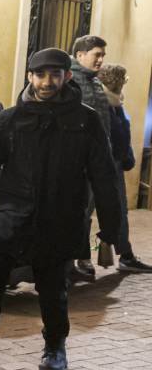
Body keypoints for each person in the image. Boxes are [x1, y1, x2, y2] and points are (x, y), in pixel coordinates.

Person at [0, 48, 122, 370]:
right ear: (30, 76)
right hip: (12, 215)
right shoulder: (12, 118)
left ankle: (55, 347)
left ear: (66, 76)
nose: (47, 82)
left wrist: (110, 226)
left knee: (53, 290)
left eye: (54, 75)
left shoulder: (86, 120)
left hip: (59, 219)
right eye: (40, 75)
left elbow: (103, 176)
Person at [97, 63, 152, 273]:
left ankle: (125, 254)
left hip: (115, 163)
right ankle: (80, 258)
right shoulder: (101, 101)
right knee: (85, 212)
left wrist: (126, 157)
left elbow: (122, 133)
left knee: (119, 210)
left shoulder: (116, 103)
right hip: (100, 164)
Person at [70, 35, 110, 282]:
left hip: (96, 162)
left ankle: (81, 257)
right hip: (78, 163)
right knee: (75, 213)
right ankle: (71, 261)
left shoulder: (95, 82)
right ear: (80, 55)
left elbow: (103, 125)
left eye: (103, 55)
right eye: (97, 54)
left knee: (86, 213)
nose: (101, 60)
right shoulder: (70, 81)